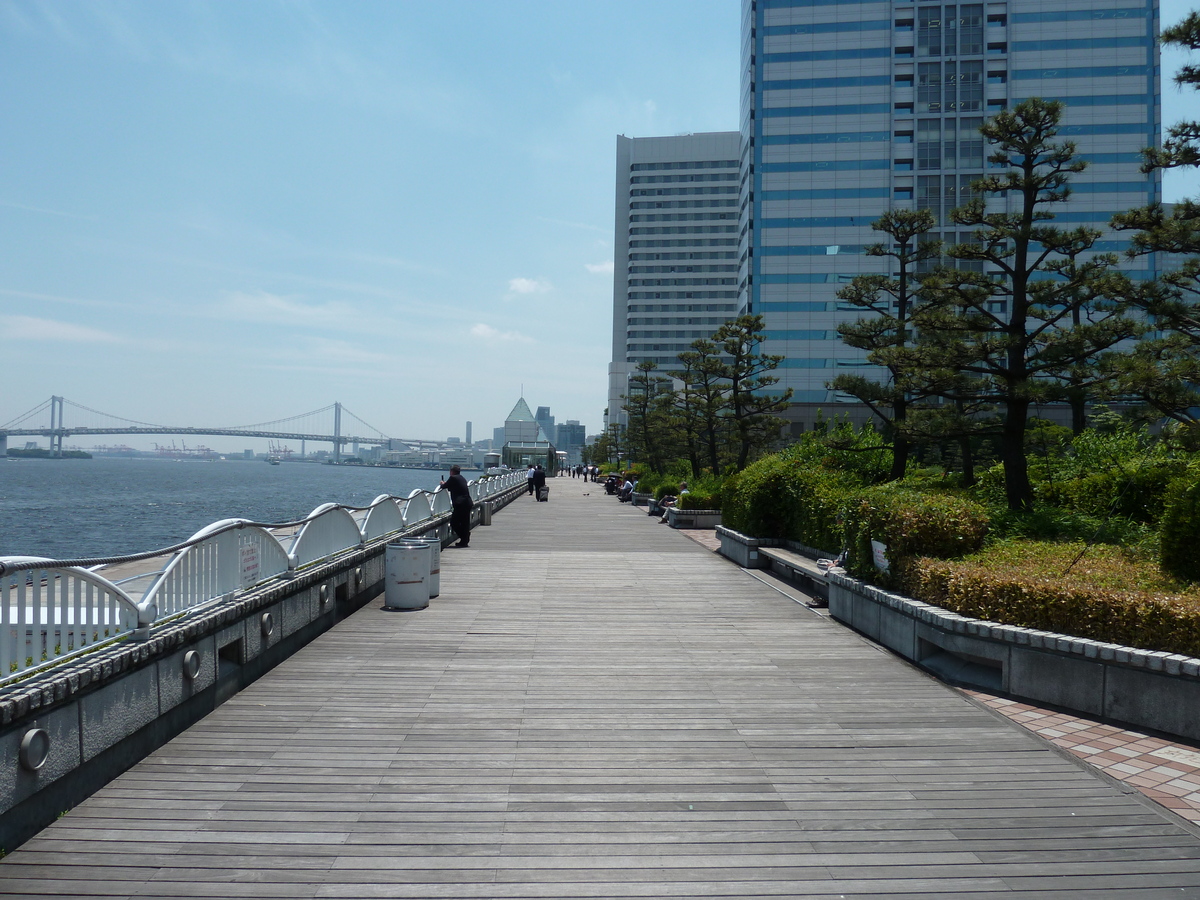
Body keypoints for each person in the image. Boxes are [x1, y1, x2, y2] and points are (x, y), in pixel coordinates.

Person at [439, 464, 473, 547]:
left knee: (454, 522)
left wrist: (442, 483)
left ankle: (464, 537)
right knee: (465, 523)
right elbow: (454, 487)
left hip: (460, 504)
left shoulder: (453, 478)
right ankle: (464, 541)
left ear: (452, 471)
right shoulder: (462, 478)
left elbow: (444, 486)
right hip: (467, 502)